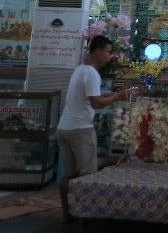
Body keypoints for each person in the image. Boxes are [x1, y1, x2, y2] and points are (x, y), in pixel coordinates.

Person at [57, 36, 138, 223]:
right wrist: (117, 96)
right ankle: (88, 220)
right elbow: (96, 103)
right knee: (88, 175)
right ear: (96, 51)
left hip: (65, 127)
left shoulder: (80, 69)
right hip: (80, 130)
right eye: (108, 52)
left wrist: (107, 95)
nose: (110, 56)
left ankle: (66, 214)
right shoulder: (92, 73)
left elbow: (88, 97)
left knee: (68, 174)